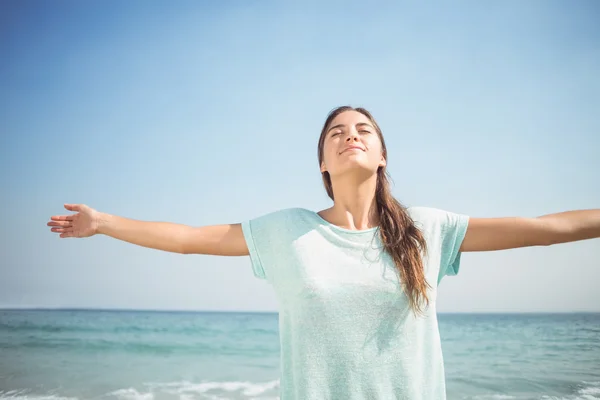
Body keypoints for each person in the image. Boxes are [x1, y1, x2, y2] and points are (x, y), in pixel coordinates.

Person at [47, 106, 599, 399]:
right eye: (336, 131)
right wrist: (105, 223)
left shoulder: (425, 228)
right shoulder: (288, 231)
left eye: (363, 129)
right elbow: (191, 239)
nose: (350, 135)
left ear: (383, 156)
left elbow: (543, 228)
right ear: (322, 164)